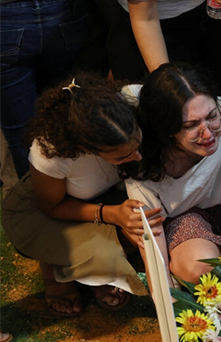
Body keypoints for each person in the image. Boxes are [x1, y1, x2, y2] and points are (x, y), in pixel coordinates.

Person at [1, 73, 161, 316]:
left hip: (110, 195)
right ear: (87, 149)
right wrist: (110, 214)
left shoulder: (132, 100)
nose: (137, 157)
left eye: (138, 143)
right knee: (107, 252)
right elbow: (52, 207)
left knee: (151, 228)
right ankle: (55, 272)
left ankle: (98, 271)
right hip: (53, 209)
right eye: (121, 157)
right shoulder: (50, 151)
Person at [122, 63, 221, 284]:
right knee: (199, 271)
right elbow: (152, 233)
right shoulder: (141, 154)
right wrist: (165, 296)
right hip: (183, 214)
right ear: (166, 128)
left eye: (212, 116)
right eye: (191, 125)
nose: (207, 133)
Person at [1, 0, 88, 181]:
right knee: (63, 114)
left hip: (6, 15)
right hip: (62, 10)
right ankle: (63, 196)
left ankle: (35, 200)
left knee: (22, 134)